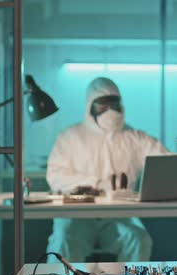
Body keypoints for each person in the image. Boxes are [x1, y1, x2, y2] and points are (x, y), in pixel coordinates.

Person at [45, 77, 169, 263]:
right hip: (76, 216)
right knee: (63, 243)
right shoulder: (70, 137)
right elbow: (55, 176)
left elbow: (169, 161)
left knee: (139, 239)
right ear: (90, 106)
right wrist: (95, 183)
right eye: (103, 104)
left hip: (119, 217)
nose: (110, 110)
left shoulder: (135, 138)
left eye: (114, 103)